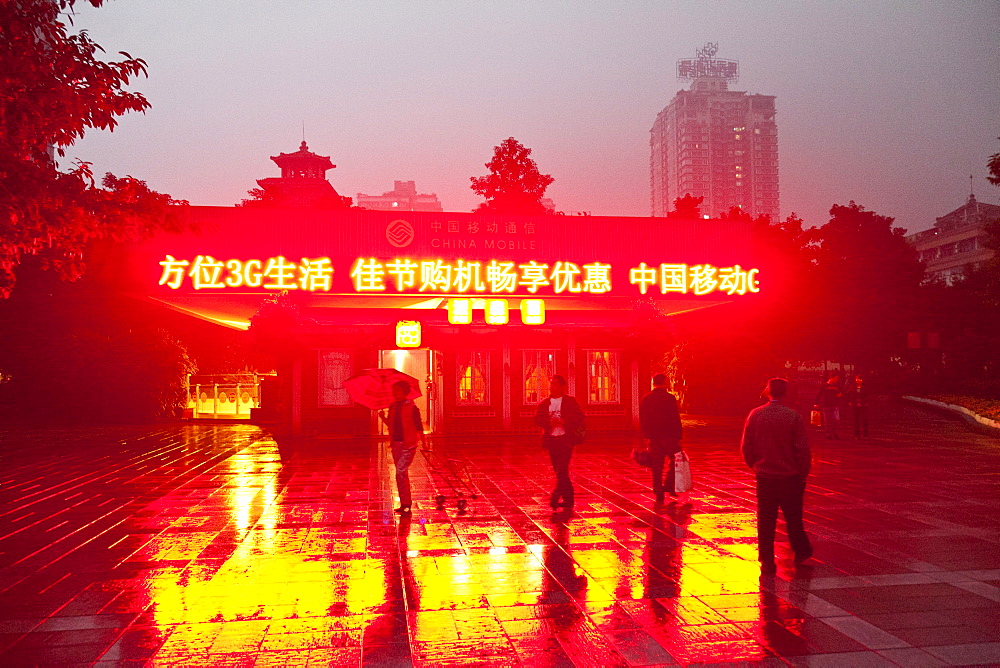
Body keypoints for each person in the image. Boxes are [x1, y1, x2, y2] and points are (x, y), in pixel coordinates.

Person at [741, 378, 812, 572]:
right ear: (786, 393)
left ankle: (765, 556)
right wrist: (802, 472)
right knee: (793, 516)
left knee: (766, 518)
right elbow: (802, 449)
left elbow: (747, 446)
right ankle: (801, 549)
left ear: (768, 392)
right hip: (790, 475)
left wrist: (755, 465)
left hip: (765, 475)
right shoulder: (793, 416)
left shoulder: (755, 415)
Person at [534, 375, 585, 515]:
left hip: (565, 439)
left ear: (563, 386)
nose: (552, 387)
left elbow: (579, 416)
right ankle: (569, 499)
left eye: (555, 384)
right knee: (559, 470)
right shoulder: (544, 403)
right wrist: (548, 423)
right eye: (551, 384)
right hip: (552, 440)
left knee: (562, 469)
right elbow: (538, 419)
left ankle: (555, 496)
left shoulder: (570, 401)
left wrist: (564, 421)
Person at [379, 380, 424, 514]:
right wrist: (382, 418)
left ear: (405, 392)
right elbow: (391, 425)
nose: (396, 394)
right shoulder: (392, 406)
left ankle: (406, 503)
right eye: (394, 391)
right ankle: (405, 503)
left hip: (408, 445)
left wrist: (424, 443)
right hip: (396, 444)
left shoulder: (412, 407)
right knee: (401, 475)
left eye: (398, 391)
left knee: (400, 472)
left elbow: (418, 425)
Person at [639, 373, 684, 504]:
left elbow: (644, 419)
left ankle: (658, 491)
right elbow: (675, 418)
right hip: (669, 436)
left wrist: (646, 435)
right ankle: (669, 485)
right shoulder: (669, 398)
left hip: (654, 437)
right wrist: (678, 435)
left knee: (656, 466)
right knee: (676, 461)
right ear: (664, 383)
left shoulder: (647, 399)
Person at [814, 373, 842, 439]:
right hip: (826, 404)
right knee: (828, 420)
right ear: (831, 378)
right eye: (836, 378)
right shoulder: (824, 385)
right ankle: (829, 433)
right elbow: (819, 394)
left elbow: (840, 393)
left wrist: (839, 396)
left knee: (835, 420)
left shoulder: (837, 386)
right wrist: (816, 403)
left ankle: (834, 432)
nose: (837, 380)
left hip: (835, 404)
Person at [845, 375, 869, 439]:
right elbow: (850, 395)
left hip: (863, 406)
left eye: (860, 379)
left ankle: (865, 435)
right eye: (857, 379)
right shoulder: (852, 387)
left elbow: (867, 396)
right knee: (856, 420)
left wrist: (863, 403)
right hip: (855, 405)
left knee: (864, 420)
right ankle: (856, 435)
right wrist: (853, 402)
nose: (858, 380)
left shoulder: (865, 387)